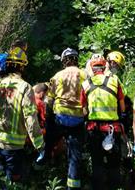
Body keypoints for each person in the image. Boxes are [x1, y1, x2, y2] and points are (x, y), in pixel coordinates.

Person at [0, 46, 44, 185]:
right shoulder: (24, 87)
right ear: (22, 67)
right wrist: (39, 144)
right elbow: (30, 118)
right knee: (11, 183)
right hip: (13, 147)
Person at [44, 47, 86, 190]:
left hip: (60, 117)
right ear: (76, 59)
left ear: (64, 61)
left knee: (48, 142)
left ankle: (41, 166)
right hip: (78, 119)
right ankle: (73, 186)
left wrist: (47, 117)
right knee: (75, 156)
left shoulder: (57, 76)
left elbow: (49, 101)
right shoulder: (84, 75)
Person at [81, 54, 126, 190]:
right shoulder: (114, 80)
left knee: (97, 163)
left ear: (92, 68)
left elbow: (84, 111)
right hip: (113, 128)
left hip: (94, 129)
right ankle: (115, 187)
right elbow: (122, 105)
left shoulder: (85, 84)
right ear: (104, 65)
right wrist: (121, 115)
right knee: (114, 163)